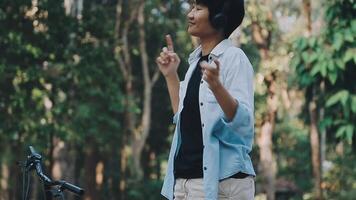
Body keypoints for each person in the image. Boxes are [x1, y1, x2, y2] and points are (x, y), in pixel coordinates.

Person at [156, 0, 255, 199]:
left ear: (218, 17)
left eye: (198, 9)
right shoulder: (195, 64)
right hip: (183, 182)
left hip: (221, 183)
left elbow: (244, 124)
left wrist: (218, 88)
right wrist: (171, 75)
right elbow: (182, 116)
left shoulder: (234, 57)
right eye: (192, 8)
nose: (190, 14)